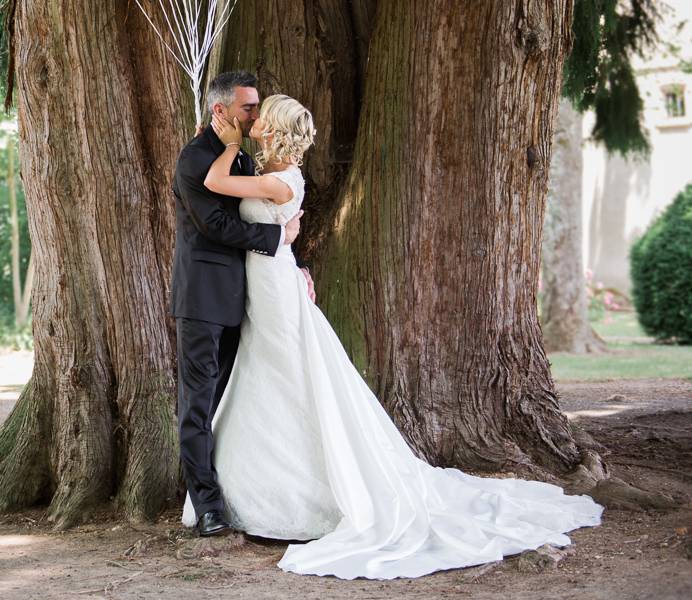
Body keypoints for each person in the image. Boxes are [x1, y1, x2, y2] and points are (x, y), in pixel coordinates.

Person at [179, 93, 604, 580]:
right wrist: (296, 259)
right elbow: (262, 222)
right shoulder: (271, 171)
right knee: (267, 371)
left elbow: (218, 183)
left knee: (283, 373)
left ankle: (303, 492)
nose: (251, 122)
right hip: (267, 281)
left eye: (259, 116)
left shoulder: (278, 180)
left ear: (272, 130)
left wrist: (230, 144)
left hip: (272, 288)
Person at [170, 71, 312, 538]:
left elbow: (273, 206)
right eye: (248, 108)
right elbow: (216, 225)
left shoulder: (249, 162)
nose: (254, 115)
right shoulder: (195, 160)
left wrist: (294, 263)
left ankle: (250, 489)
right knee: (199, 401)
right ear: (220, 111)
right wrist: (279, 237)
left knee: (236, 399)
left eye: (257, 109)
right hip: (205, 297)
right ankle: (208, 506)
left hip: (251, 299)